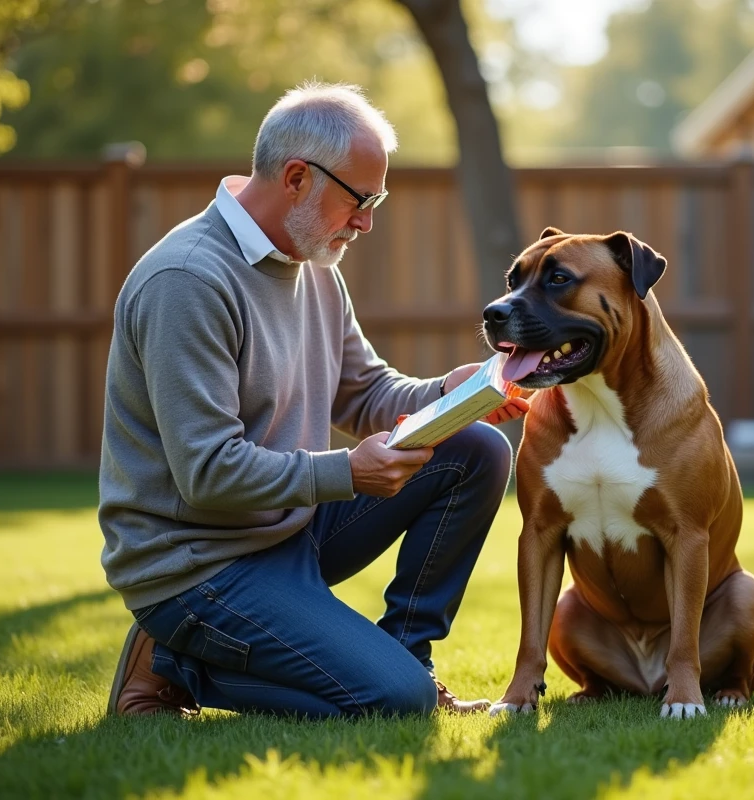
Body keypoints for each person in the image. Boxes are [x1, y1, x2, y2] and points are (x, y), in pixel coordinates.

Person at [99, 81, 528, 719]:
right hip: (199, 567)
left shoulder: (312, 264)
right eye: (360, 199)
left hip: (286, 529)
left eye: (377, 201)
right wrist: (348, 471)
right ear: (297, 177)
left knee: (475, 449)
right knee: (394, 703)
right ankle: (173, 661)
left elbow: (364, 391)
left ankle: (407, 656)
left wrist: (449, 392)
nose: (366, 221)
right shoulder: (187, 280)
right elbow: (207, 473)